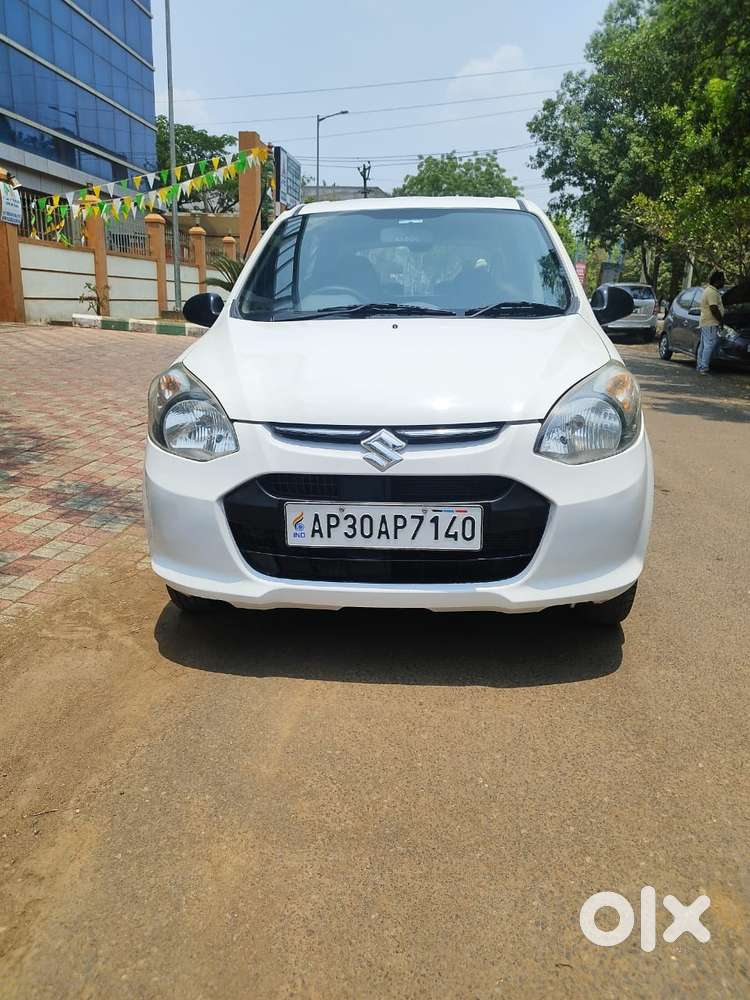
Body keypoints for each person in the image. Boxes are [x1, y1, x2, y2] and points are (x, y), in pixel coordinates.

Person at [696, 269, 725, 374]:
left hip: (706, 322)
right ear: (717, 281)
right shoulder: (712, 292)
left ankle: (700, 365)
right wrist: (720, 320)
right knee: (709, 345)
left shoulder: (708, 290)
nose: (724, 282)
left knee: (704, 345)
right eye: (722, 280)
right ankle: (704, 367)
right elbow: (713, 308)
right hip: (711, 322)